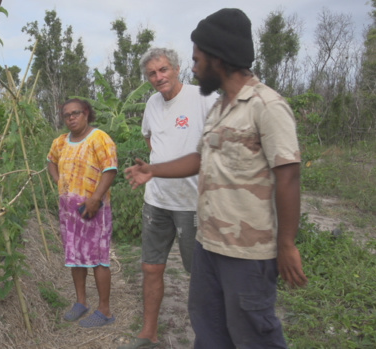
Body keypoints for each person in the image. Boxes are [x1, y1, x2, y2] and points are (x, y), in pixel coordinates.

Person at [125, 8, 308, 348]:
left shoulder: (265, 105)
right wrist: (152, 169)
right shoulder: (222, 107)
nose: (193, 68)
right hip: (209, 244)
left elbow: (289, 175)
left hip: (247, 251)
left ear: (218, 59)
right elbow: (200, 158)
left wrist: (286, 243)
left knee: (252, 333)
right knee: (209, 331)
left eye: (196, 60)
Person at [118, 47, 217, 349]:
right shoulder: (152, 103)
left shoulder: (204, 98)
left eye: (163, 70)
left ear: (177, 69)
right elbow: (150, 138)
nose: (158, 77)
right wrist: (155, 167)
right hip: (157, 200)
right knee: (151, 267)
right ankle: (148, 333)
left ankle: (210, 337)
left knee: (199, 274)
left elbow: (215, 148)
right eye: (152, 73)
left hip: (193, 202)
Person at [47, 98, 118, 328]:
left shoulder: (99, 138)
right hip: (69, 211)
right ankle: (81, 303)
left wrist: (95, 198)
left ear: (86, 113)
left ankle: (104, 311)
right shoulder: (60, 142)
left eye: (75, 113)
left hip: (93, 209)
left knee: (98, 259)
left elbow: (110, 169)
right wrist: (60, 183)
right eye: (67, 115)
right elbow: (51, 162)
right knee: (75, 258)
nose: (71, 118)